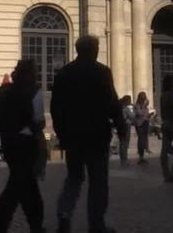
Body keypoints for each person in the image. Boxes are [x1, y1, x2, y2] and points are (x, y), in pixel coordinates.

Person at [51, 35, 123, 233]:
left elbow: (56, 108)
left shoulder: (64, 73)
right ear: (93, 50)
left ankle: (64, 215)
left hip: (73, 137)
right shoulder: (101, 72)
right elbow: (112, 103)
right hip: (97, 135)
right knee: (98, 181)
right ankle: (96, 224)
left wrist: (62, 134)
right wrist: (121, 127)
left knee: (73, 178)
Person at [0, 59, 44, 233]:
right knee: (21, 187)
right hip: (26, 143)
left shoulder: (2, 91)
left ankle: (1, 224)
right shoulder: (33, 91)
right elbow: (38, 121)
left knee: (21, 184)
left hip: (8, 142)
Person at [132, 92, 152, 164]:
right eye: (143, 97)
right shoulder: (137, 105)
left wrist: (149, 115)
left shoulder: (145, 107)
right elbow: (139, 113)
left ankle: (143, 155)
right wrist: (144, 107)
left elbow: (145, 114)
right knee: (140, 139)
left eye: (145, 97)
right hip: (139, 124)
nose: (144, 99)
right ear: (140, 98)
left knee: (144, 138)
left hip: (145, 123)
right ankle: (141, 156)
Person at [116, 96, 133, 167]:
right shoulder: (126, 108)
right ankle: (124, 160)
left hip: (120, 126)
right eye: (129, 100)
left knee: (121, 143)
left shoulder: (119, 107)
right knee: (125, 144)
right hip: (126, 126)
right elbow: (132, 116)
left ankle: (122, 160)